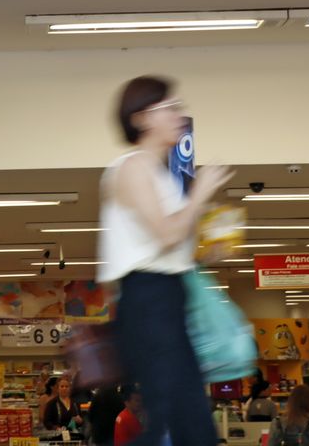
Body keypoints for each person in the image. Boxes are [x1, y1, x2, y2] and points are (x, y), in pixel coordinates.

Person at [98, 76, 233, 446]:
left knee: (187, 423)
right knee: (179, 422)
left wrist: (209, 249)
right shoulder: (132, 167)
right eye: (170, 108)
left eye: (179, 107)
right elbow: (167, 234)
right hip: (149, 302)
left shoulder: (157, 173)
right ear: (141, 118)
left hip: (165, 300)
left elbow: (172, 246)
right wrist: (199, 194)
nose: (179, 116)